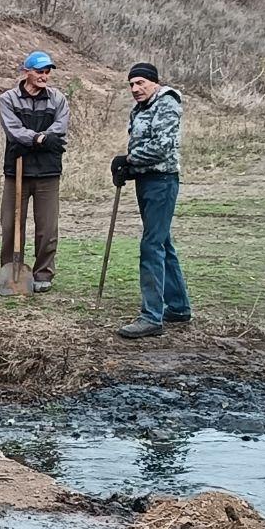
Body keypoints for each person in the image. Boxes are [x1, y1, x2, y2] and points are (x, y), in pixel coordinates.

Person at [111, 62, 192, 338]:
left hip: (162, 182)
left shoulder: (166, 103)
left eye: (140, 83)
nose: (135, 88)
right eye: (131, 84)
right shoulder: (140, 109)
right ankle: (179, 307)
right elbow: (142, 145)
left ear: (154, 82)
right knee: (162, 242)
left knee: (151, 246)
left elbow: (162, 146)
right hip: (147, 182)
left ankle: (151, 317)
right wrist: (129, 170)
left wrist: (129, 160)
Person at [0, 51, 70, 292]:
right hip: (16, 171)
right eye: (39, 71)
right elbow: (13, 130)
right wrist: (39, 139)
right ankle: (10, 271)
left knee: (47, 228)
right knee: (10, 225)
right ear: (26, 71)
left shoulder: (58, 99)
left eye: (47, 72)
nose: (44, 76)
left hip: (48, 172)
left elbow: (59, 129)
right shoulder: (8, 99)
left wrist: (35, 140)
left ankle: (43, 274)